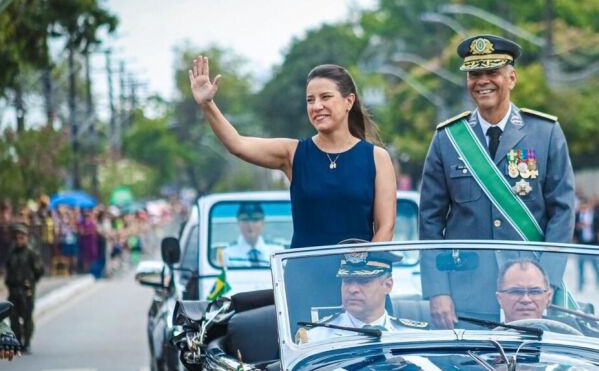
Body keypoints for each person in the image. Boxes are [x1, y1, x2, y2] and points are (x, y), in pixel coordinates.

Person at [419, 34, 575, 329]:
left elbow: (562, 214)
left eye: (492, 72)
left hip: (528, 292)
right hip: (466, 292)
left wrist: (548, 282)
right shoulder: (448, 138)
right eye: (474, 74)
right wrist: (438, 290)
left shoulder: (546, 133)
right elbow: (429, 222)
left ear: (512, 78)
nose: (482, 81)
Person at [189, 58, 396, 247]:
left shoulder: (377, 157)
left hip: (359, 281)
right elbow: (238, 144)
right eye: (310, 100)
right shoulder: (293, 153)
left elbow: (385, 227)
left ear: (348, 101)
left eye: (325, 97)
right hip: (304, 280)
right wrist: (207, 104)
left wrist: (364, 276)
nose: (317, 106)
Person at [299, 251, 427, 342]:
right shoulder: (316, 337)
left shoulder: (413, 336)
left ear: (387, 285)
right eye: (347, 280)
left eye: (364, 281)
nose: (352, 289)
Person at [4, 224, 43, 353]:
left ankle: (27, 342)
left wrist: (31, 282)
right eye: (17, 238)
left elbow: (39, 270)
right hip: (14, 289)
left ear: (26, 238)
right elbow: (8, 268)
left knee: (27, 317)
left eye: (21, 237)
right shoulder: (11, 252)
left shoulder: (31, 253)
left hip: (26, 290)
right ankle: (18, 342)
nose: (19, 240)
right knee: (13, 317)